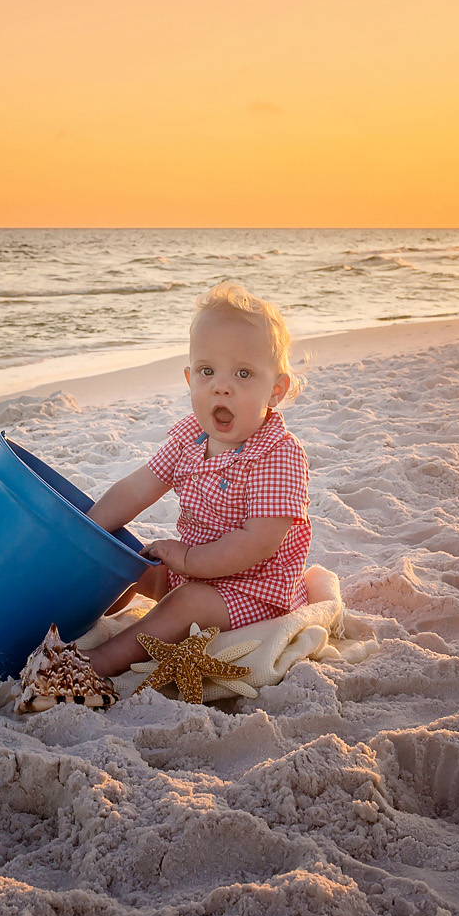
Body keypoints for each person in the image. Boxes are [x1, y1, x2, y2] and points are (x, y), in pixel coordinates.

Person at [71, 280, 313, 686]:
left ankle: (102, 662)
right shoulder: (190, 438)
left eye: (243, 373)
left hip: (253, 590)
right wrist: (88, 531)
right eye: (207, 371)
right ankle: (72, 617)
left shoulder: (278, 454)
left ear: (276, 390)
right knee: (126, 558)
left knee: (184, 604)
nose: (221, 385)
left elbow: (258, 543)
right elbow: (137, 488)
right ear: (190, 379)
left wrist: (187, 561)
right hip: (193, 570)